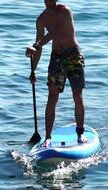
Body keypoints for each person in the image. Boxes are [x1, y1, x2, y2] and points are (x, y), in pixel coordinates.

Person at [25, 0, 87, 147]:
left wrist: (36, 45)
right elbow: (38, 46)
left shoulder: (65, 11)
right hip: (56, 57)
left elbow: (55, 32)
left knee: (77, 94)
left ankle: (80, 134)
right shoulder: (41, 19)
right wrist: (33, 70)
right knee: (52, 97)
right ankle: (47, 138)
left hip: (73, 55)